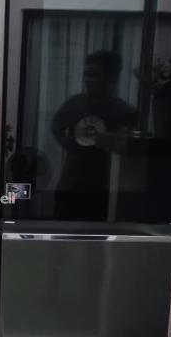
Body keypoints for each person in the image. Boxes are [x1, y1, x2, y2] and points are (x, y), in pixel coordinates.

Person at [51, 50, 136, 216]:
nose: (88, 80)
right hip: (69, 186)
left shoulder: (124, 111)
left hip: (102, 190)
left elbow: (132, 150)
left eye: (94, 74)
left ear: (111, 77)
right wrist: (70, 146)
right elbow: (56, 127)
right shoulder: (74, 103)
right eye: (87, 74)